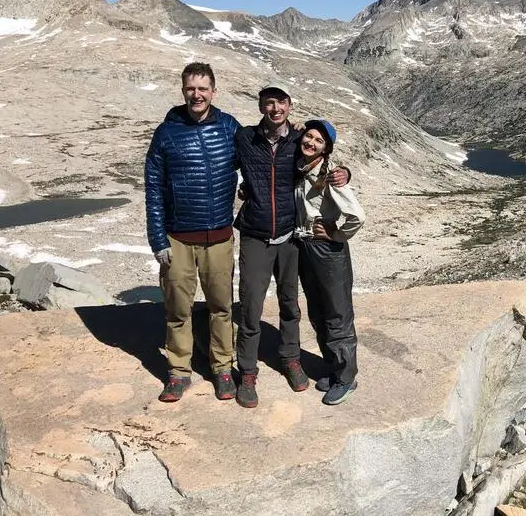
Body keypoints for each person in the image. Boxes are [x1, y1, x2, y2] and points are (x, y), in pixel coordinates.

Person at [232, 87, 349, 408]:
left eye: (280, 102)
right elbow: (224, 165)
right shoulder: (244, 138)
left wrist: (345, 173)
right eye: (268, 102)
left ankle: (291, 359)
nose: (275, 108)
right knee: (251, 306)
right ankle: (248, 372)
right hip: (255, 235)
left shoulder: (298, 140)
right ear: (260, 106)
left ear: (289, 106)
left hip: (290, 236)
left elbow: (324, 156)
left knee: (290, 305)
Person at [144, 62, 240, 403]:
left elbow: (261, 161)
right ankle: (178, 372)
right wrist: (158, 239)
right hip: (178, 237)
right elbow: (153, 188)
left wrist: (294, 133)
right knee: (177, 310)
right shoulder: (166, 133)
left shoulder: (229, 127)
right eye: (190, 89)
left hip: (219, 237)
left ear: (214, 90)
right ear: (183, 90)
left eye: (203, 88)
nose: (196, 95)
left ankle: (223, 369)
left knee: (222, 308)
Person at [293, 119, 366, 405]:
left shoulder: (330, 176)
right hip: (306, 247)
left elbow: (357, 216)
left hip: (328, 251)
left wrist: (336, 233)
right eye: (308, 136)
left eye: (318, 140)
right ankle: (335, 369)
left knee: (337, 313)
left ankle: (347, 378)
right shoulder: (300, 168)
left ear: (327, 149)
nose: (311, 142)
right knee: (317, 310)